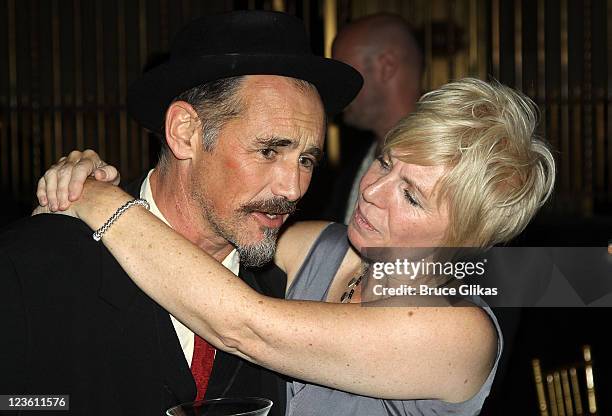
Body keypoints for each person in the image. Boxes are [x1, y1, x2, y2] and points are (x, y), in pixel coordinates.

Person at [36, 78, 556, 415]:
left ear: (461, 238)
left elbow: (245, 325)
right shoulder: (322, 249)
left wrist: (102, 205)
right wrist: (77, 186)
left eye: (411, 196)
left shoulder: (458, 335)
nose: (371, 191)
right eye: (385, 161)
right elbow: (195, 241)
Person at [0, 10, 361, 416]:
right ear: (184, 133)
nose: (293, 188)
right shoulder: (37, 260)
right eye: (269, 151)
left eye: (307, 159)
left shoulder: (280, 293)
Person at [331, 13, 423, 224]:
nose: (336, 90)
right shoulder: (355, 161)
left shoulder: (451, 162)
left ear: (386, 66)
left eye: (345, 73)